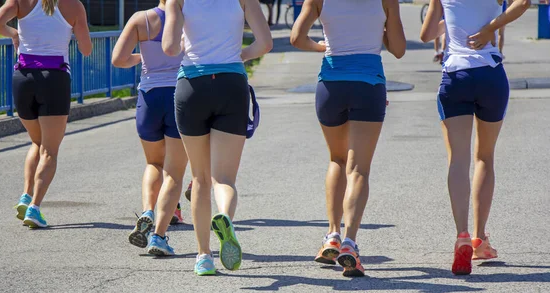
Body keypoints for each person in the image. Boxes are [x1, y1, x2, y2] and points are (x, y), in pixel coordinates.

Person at [291, 0, 405, 277]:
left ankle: (332, 235)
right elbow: (399, 49)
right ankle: (350, 244)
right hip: (368, 83)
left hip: (331, 83)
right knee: (358, 169)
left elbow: (296, 38)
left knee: (337, 160)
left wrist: (322, 47)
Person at [421, 0, 530, 275]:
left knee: (458, 160)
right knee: (485, 157)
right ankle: (479, 238)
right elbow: (524, 3)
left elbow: (426, 35)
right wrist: (489, 28)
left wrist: (452, 22)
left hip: (455, 75)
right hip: (490, 74)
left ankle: (461, 235)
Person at [163, 0, 272, 276]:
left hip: (192, 85)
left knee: (199, 179)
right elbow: (265, 44)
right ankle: (224, 215)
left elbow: (170, 48)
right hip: (231, 84)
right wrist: (239, 56)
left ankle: (203, 256)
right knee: (223, 178)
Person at [0, 0, 92, 228]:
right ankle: (34, 209)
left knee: (37, 142)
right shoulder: (73, 5)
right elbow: (86, 49)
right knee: (49, 150)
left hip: (23, 78)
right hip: (54, 78)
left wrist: (14, 33)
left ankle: (26, 196)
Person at [111, 0, 186, 254]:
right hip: (180, 94)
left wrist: (142, 55)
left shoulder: (140, 19)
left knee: (154, 163)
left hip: (149, 97)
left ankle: (147, 211)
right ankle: (158, 236)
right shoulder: (189, 19)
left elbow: (118, 59)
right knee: (174, 172)